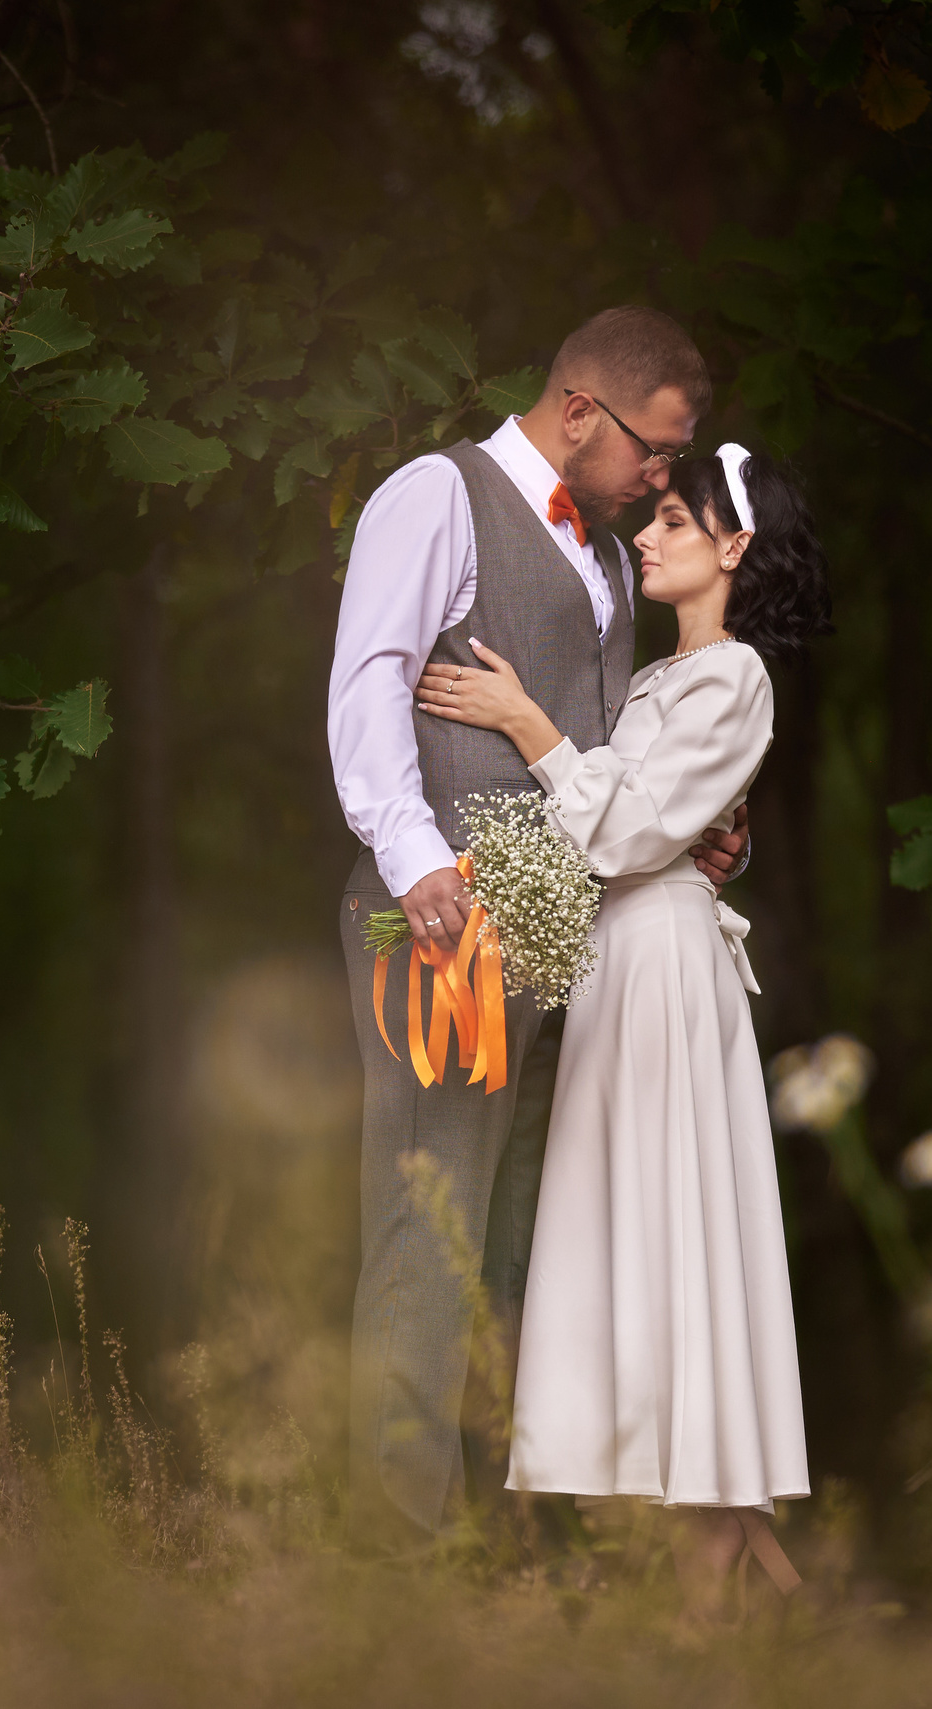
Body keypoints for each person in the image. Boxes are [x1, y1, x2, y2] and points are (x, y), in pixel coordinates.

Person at [326, 306, 747, 1552]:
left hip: (567, 903)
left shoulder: (615, 561)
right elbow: (366, 686)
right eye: (655, 452)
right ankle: (393, 1557)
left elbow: (603, 754)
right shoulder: (435, 495)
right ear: (580, 413)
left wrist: (694, 833)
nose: (663, 478)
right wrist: (414, 868)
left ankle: (497, 1547)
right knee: (427, 1218)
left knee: (522, 1232)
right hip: (445, 895)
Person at [412, 443, 834, 1618]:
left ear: (732, 547)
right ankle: (746, 1573)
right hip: (612, 969)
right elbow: (624, 825)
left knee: (671, 1235)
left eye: (672, 521)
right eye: (647, 518)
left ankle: (718, 1579)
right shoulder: (657, 680)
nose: (644, 537)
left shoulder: (734, 675)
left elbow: (623, 833)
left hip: (661, 977)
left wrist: (523, 718)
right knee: (631, 1244)